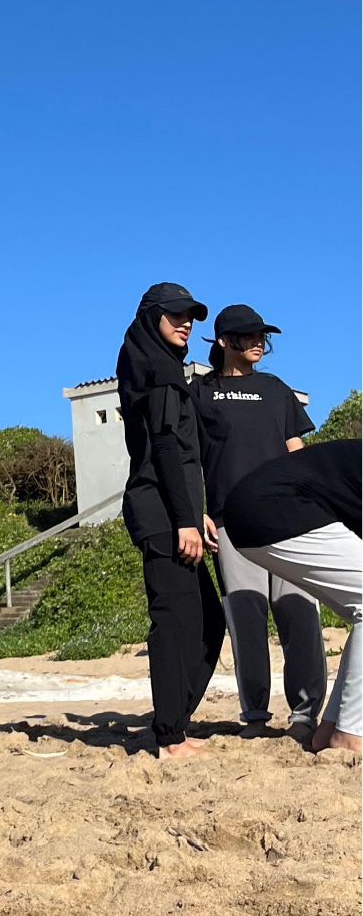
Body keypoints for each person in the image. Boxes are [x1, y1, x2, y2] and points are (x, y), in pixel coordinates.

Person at [190, 304, 323, 737]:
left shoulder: (276, 389)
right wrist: (197, 512)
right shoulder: (201, 393)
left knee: (299, 612)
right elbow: (190, 459)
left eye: (262, 337)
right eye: (248, 337)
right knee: (246, 617)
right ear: (224, 341)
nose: (258, 344)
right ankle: (255, 716)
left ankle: (304, 714)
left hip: (289, 516)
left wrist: (316, 499)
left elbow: (295, 447)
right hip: (232, 520)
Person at [116, 283, 225, 759]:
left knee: (208, 620)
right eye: (176, 315)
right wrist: (183, 520)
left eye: (192, 317)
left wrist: (195, 508)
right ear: (151, 316)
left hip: (173, 508)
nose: (186, 323)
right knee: (175, 622)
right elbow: (161, 448)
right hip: (159, 512)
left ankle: (174, 722)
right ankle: (169, 735)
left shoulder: (159, 363)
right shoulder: (157, 369)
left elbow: (180, 454)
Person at [223, 440, 363, 752]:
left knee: (361, 609)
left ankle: (329, 731)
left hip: (252, 509)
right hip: (272, 505)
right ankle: (351, 737)